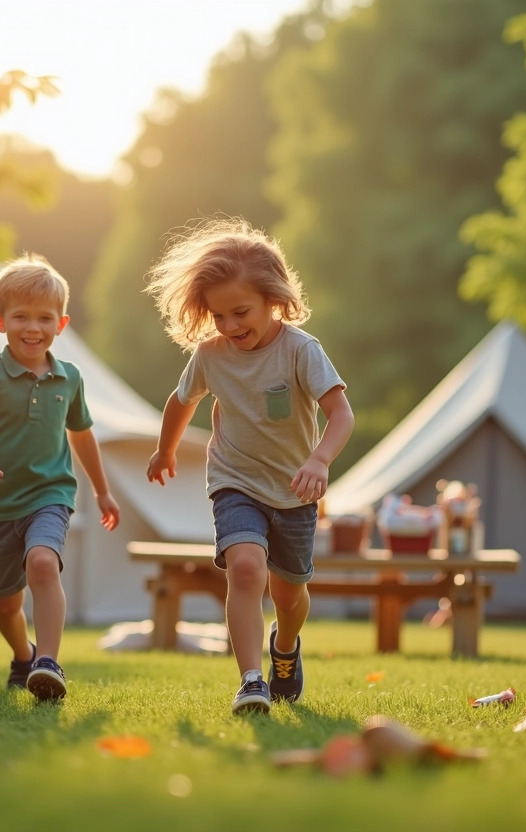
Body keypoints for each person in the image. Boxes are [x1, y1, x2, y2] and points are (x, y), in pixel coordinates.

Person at [144, 218, 354, 714]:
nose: (231, 326)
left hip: (295, 490)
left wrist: (320, 459)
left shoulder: (301, 350)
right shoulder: (211, 355)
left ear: (273, 298)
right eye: (219, 316)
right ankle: (251, 681)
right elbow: (181, 402)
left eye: (240, 311)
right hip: (234, 481)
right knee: (244, 568)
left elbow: (342, 413)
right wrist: (166, 449)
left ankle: (284, 646)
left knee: (289, 595)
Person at [0, 254, 120, 700]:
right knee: (5, 604)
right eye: (21, 316)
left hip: (51, 494)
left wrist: (102, 492)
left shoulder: (70, 378)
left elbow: (82, 436)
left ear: (61, 324)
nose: (33, 327)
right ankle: (23, 655)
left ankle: (48, 663)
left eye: (44, 318)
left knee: (43, 563)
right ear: (0, 320)